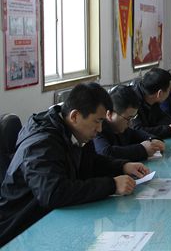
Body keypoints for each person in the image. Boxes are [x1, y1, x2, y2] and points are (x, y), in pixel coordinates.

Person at [0, 83, 149, 246]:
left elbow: (91, 162)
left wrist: (122, 166)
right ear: (75, 116)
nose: (100, 129)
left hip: (52, 221)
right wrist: (112, 185)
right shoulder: (40, 144)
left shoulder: (73, 131)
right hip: (20, 232)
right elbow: (54, 193)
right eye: (97, 121)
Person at [94, 85, 165, 162]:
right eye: (128, 118)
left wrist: (153, 140)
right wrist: (142, 149)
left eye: (133, 117)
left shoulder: (122, 129)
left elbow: (136, 134)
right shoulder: (97, 130)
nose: (131, 123)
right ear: (109, 114)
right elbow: (106, 153)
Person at [130, 68, 171, 138]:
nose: (170, 92)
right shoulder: (132, 101)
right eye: (169, 90)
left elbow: (161, 118)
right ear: (160, 93)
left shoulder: (152, 99)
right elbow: (138, 131)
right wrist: (169, 130)